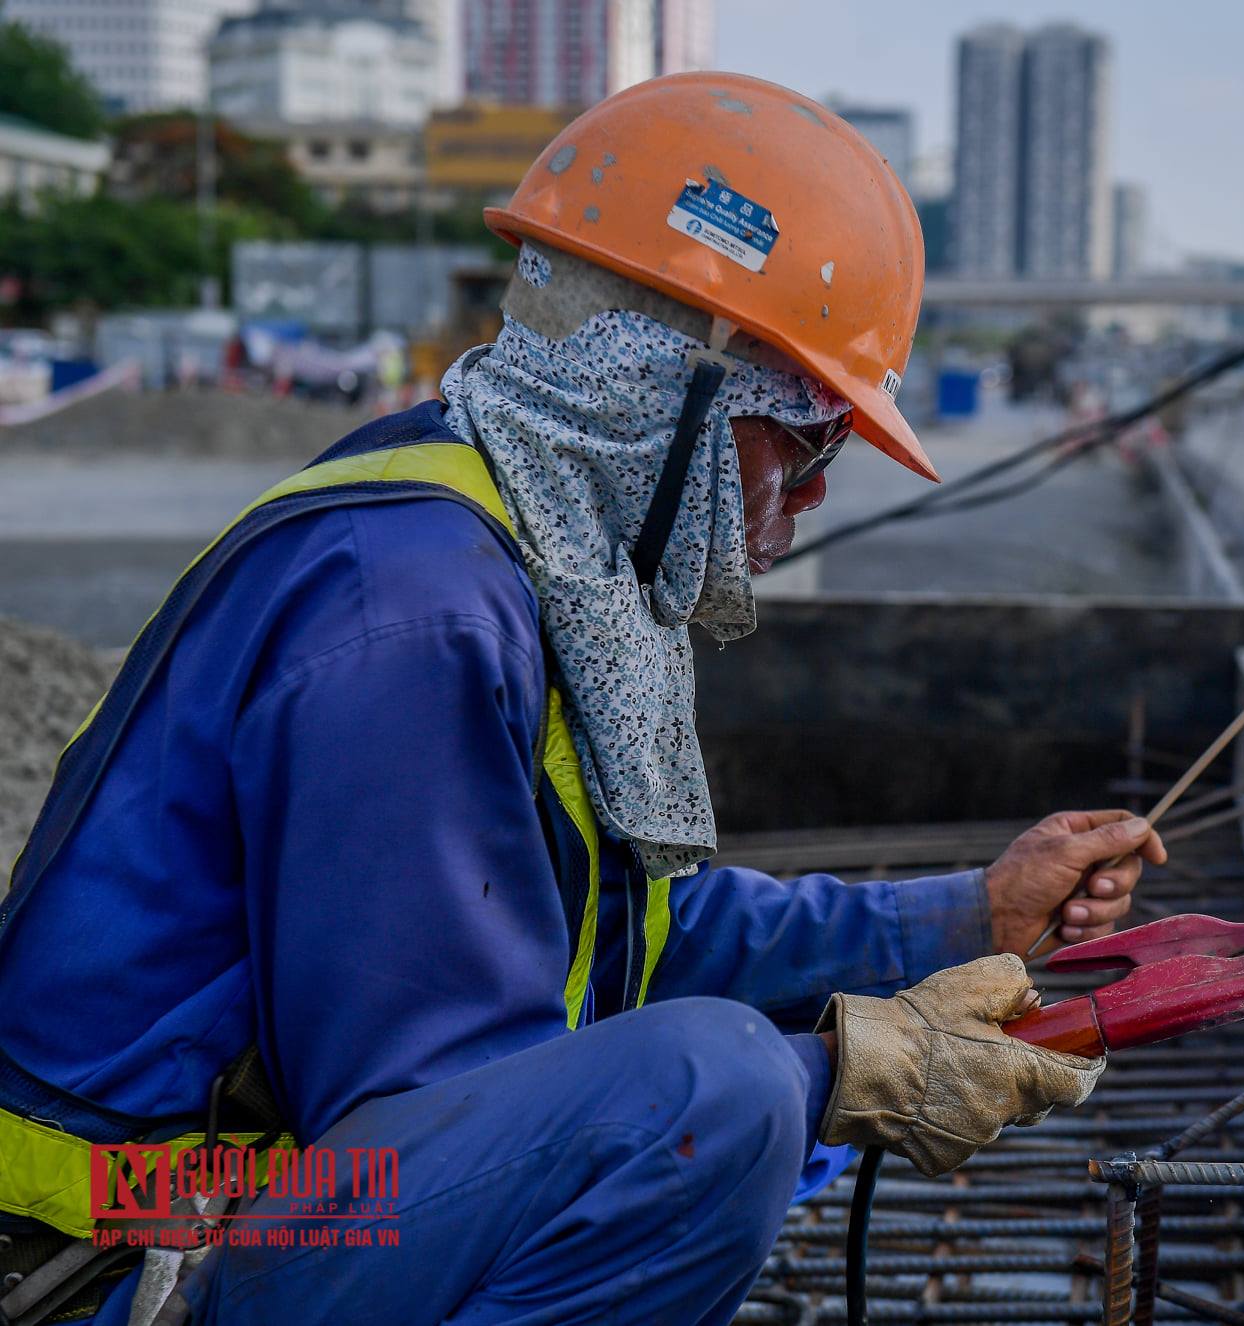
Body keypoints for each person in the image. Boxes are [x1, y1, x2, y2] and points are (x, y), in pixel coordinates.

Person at [0, 74, 1165, 1326]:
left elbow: (621, 939)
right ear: (666, 400)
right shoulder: (412, 614)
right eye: (809, 441)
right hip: (125, 1264)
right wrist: (835, 1072)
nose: (817, 495)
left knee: (710, 1082)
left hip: (257, 1218)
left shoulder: (521, 550)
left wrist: (967, 915)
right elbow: (432, 1109)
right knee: (709, 1098)